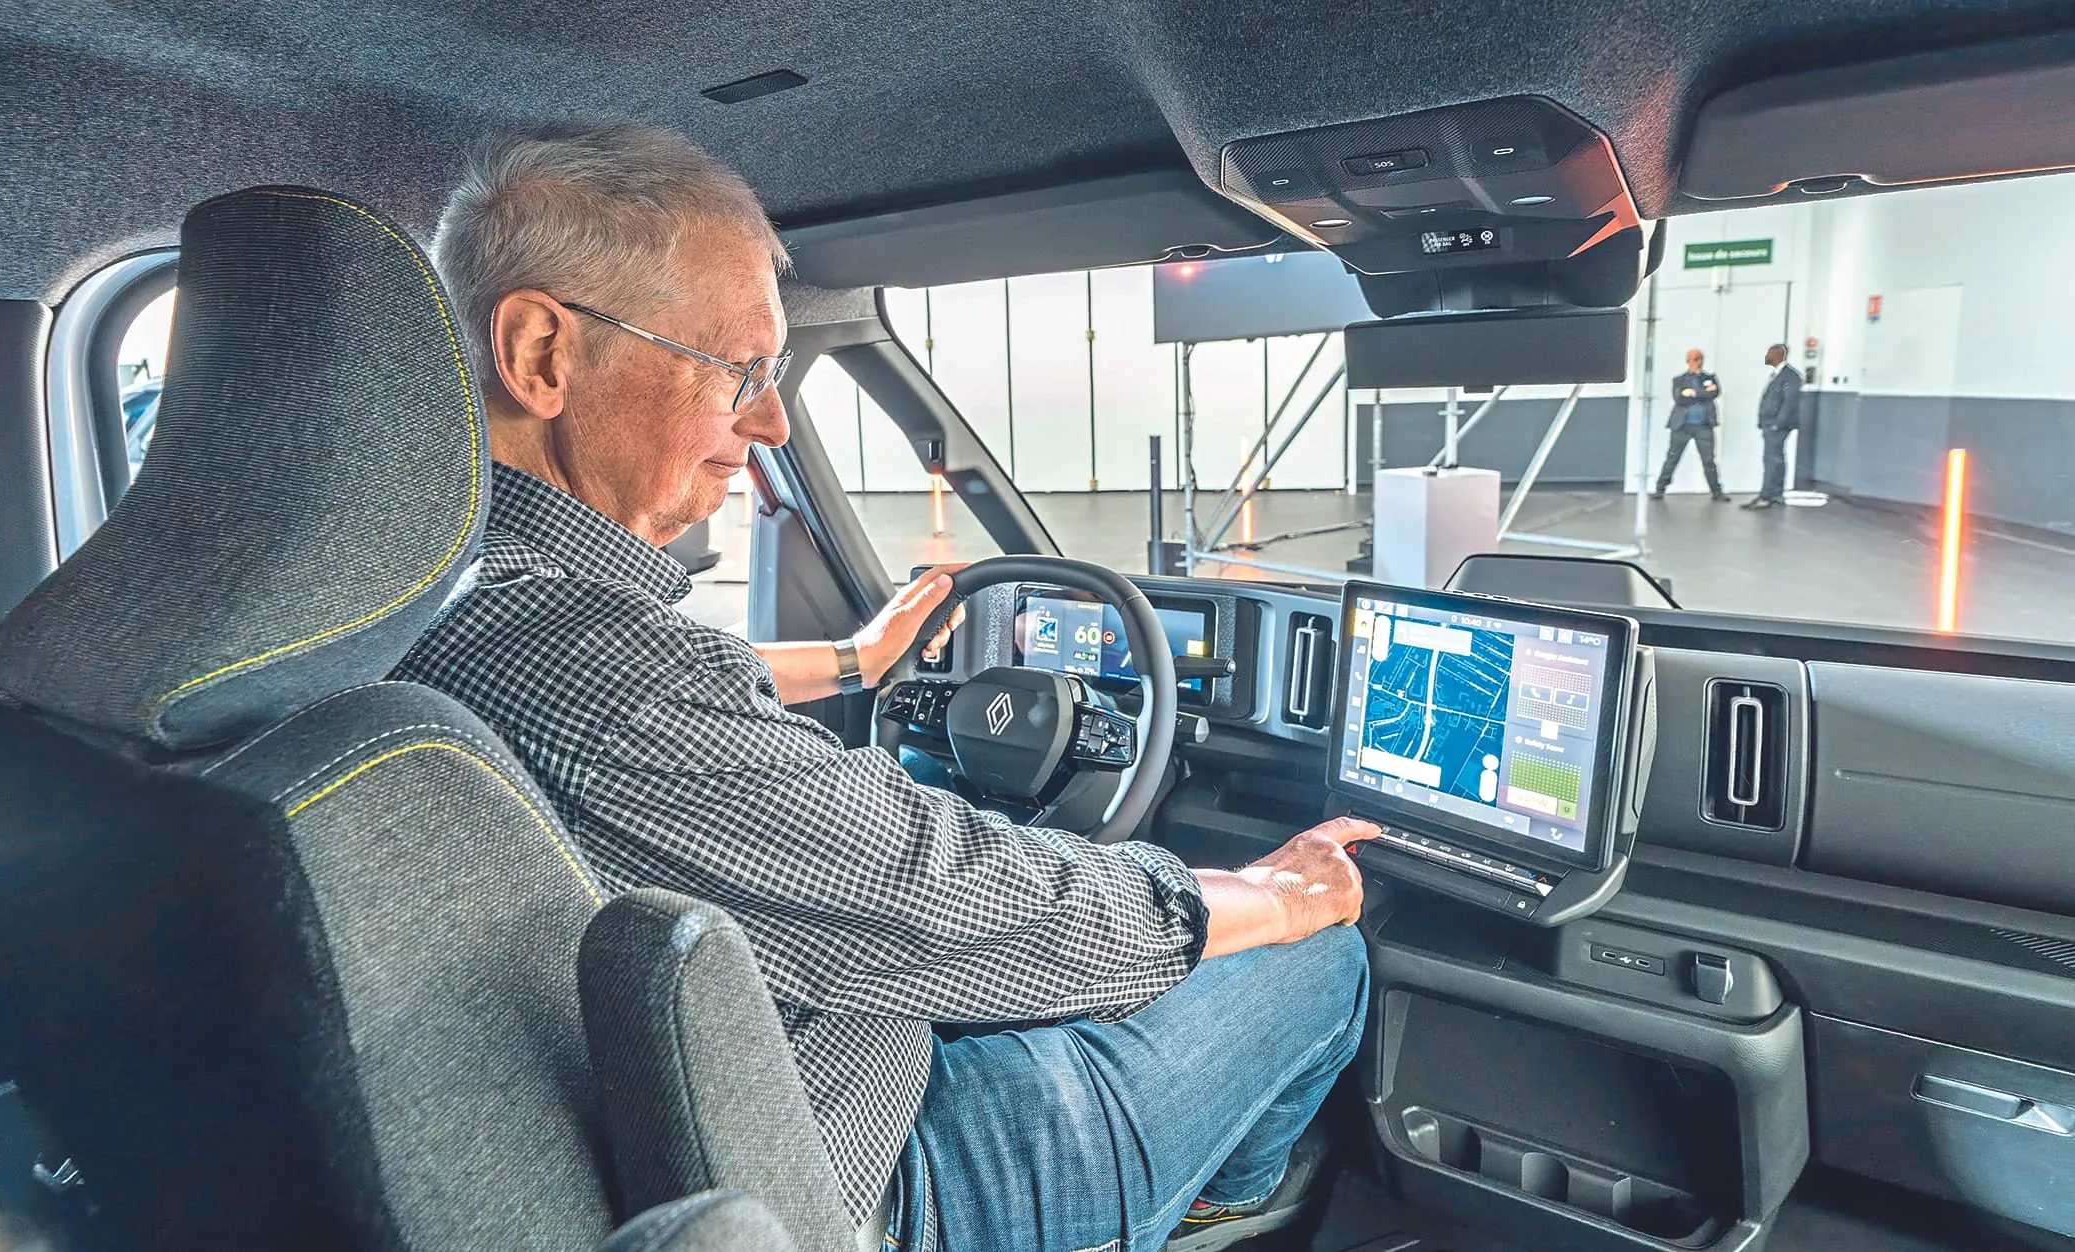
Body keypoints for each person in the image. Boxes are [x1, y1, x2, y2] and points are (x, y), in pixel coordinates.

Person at [393, 122, 1377, 1252]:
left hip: (710, 1113)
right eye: (741, 373)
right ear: (541, 356)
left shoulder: (426, 606)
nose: (766, 427)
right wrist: (1277, 893)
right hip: (865, 1188)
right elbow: (954, 891)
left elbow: (673, 719)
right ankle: (1219, 1204)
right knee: (1314, 961)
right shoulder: (591, 668)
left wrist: (860, 663)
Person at [1651, 348, 1726, 500]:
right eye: (1694, 359)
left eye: (1699, 359)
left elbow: (1715, 393)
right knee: (1672, 457)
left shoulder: (1710, 378)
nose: (1697, 362)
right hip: (1682, 426)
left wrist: (1692, 393)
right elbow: (1679, 398)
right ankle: (1660, 489)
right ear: (1688, 361)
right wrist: (1703, 393)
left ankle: (1716, 491)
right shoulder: (1680, 379)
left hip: (1704, 425)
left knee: (1709, 459)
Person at [1743, 343, 1805, 509]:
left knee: (1772, 459)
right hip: (1769, 423)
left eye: (1769, 353)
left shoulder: (1791, 376)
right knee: (1774, 458)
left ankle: (1767, 495)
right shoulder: (1776, 375)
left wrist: (1778, 424)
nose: (1766, 356)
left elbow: (1789, 403)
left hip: (1777, 425)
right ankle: (1775, 495)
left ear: (1778, 355)